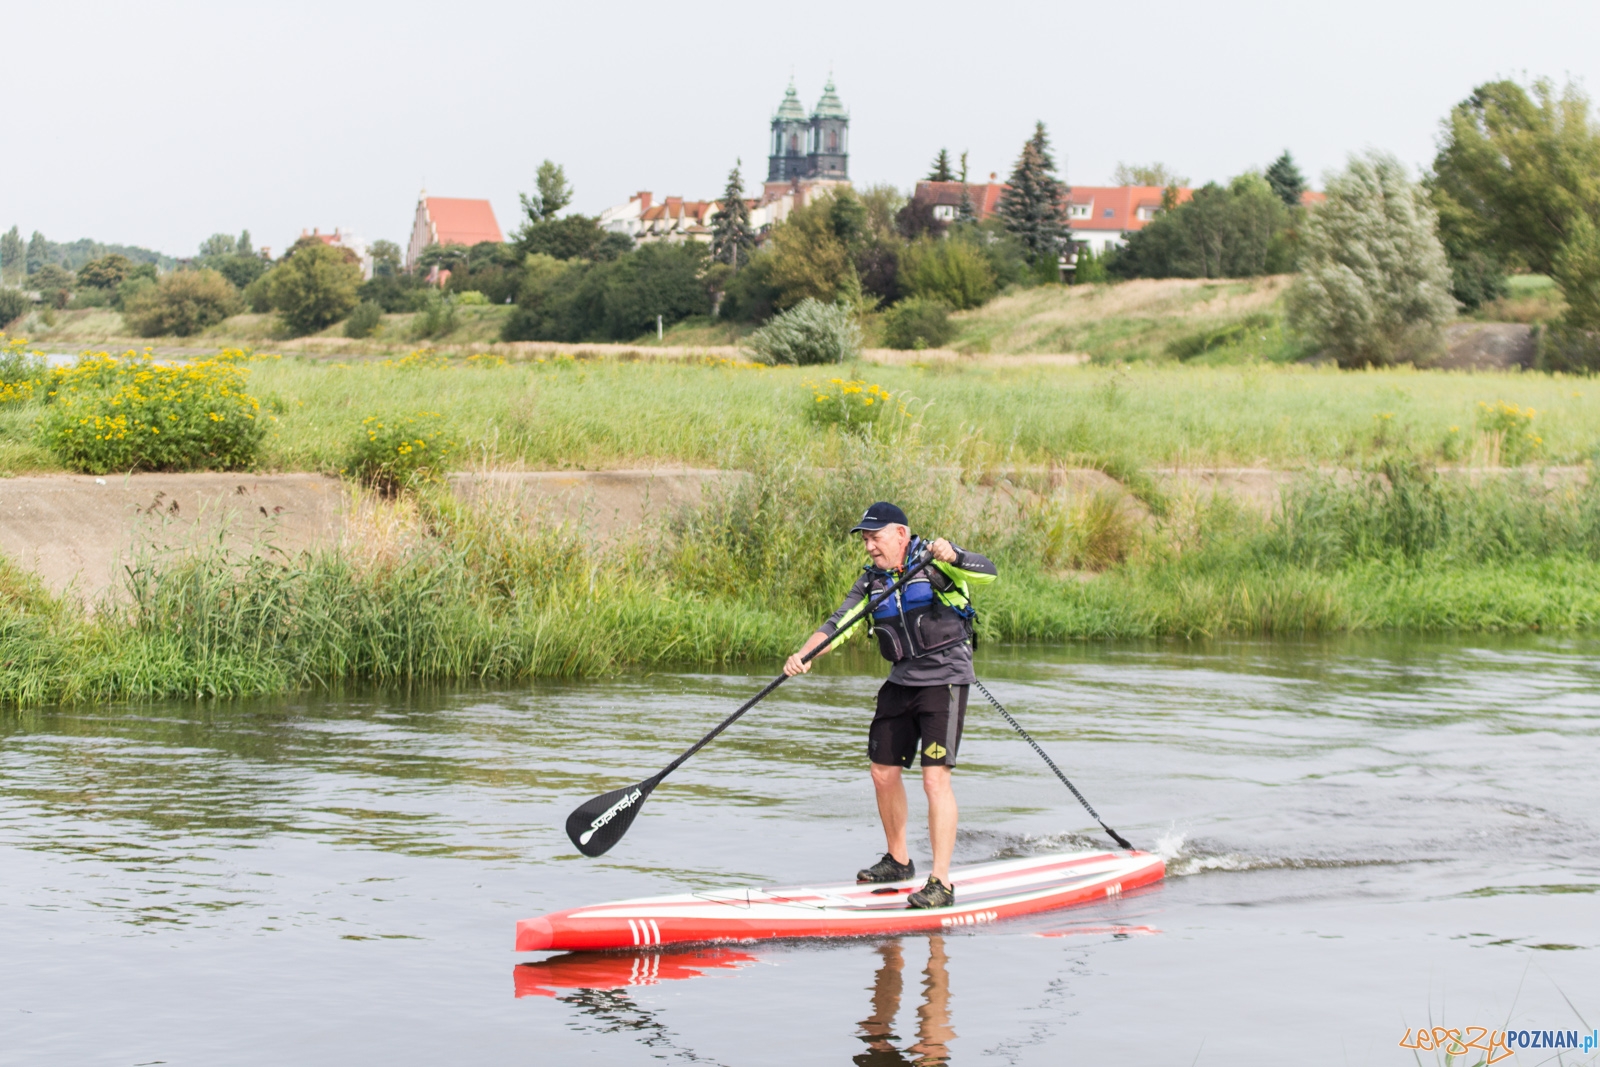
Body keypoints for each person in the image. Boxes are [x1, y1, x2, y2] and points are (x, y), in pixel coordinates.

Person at [784, 501, 997, 909]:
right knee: (882, 772)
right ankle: (899, 860)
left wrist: (955, 554)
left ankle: (942, 882)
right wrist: (804, 654)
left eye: (875, 538)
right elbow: (837, 625)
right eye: (865, 539)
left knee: (935, 780)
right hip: (901, 681)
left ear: (901, 534)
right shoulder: (870, 584)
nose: (869, 547)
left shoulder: (936, 563)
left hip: (944, 681)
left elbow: (986, 572)